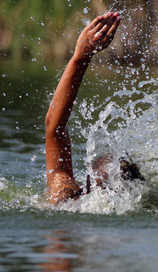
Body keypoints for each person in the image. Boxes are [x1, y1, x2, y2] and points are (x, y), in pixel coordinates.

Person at [45, 12, 143, 205]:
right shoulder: (143, 205)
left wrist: (81, 57)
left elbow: (54, 128)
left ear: (90, 184)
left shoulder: (68, 198)